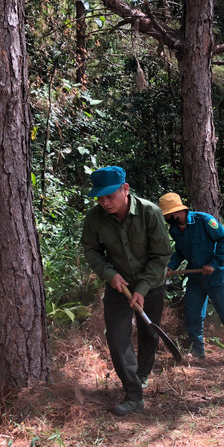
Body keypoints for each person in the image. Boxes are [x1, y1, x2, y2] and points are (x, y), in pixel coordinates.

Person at [81, 166, 172, 416]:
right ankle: (133, 394)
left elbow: (162, 254)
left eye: (110, 195)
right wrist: (109, 274)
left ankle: (142, 374)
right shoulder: (94, 218)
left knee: (148, 333)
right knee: (117, 336)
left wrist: (142, 287)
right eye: (100, 197)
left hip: (151, 284)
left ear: (125, 189)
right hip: (118, 286)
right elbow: (91, 249)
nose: (105, 202)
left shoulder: (149, 212)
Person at [159, 192, 224, 362]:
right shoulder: (175, 230)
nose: (168, 219)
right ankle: (198, 353)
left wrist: (213, 264)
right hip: (195, 277)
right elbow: (180, 251)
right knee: (193, 314)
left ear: (178, 212)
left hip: (216, 277)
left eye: (169, 215)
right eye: (166, 216)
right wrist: (171, 267)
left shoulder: (204, 221)